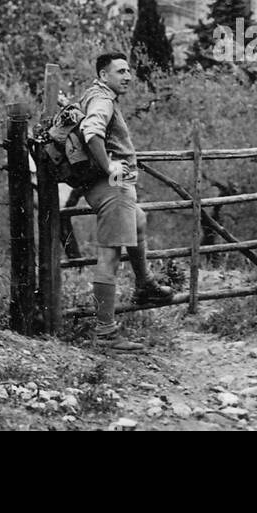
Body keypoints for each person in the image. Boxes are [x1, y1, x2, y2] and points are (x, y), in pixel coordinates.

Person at [76, 52, 173, 349]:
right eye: (120, 71)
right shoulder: (103, 100)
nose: (128, 76)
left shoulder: (95, 95)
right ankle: (104, 331)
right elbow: (91, 132)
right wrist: (110, 168)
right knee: (109, 256)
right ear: (104, 75)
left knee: (139, 221)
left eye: (129, 71)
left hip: (112, 186)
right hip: (112, 186)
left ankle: (144, 286)